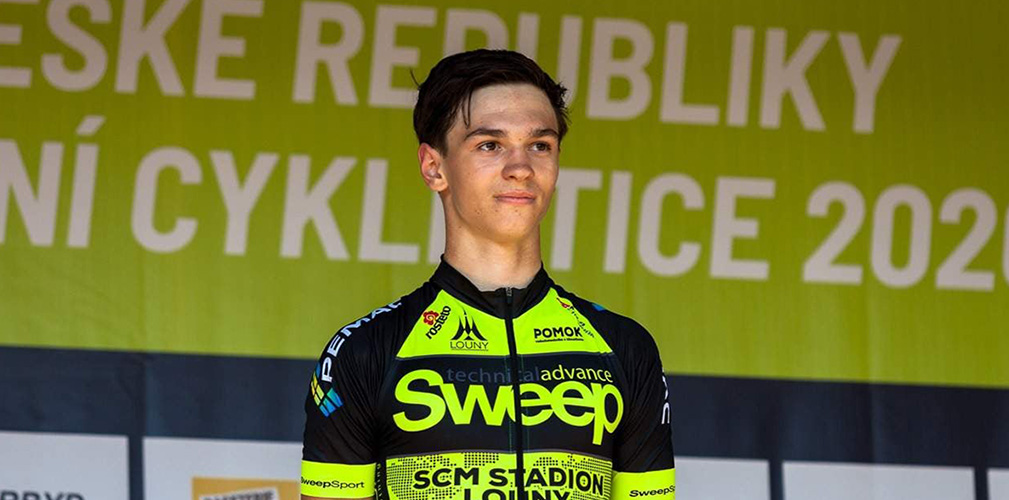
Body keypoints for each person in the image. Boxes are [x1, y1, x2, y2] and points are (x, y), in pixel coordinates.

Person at [300, 49, 675, 500]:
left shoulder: (625, 348)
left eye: (540, 145)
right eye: (490, 145)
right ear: (434, 167)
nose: (520, 168)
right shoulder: (364, 352)